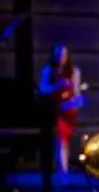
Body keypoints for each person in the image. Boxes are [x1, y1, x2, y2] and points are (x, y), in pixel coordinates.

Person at [39, 44, 83, 176]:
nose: (61, 57)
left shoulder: (74, 71)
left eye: (63, 54)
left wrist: (77, 102)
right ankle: (62, 172)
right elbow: (43, 89)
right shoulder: (48, 70)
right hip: (53, 109)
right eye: (58, 55)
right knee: (60, 140)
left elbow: (76, 92)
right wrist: (57, 85)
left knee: (64, 141)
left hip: (68, 111)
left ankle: (63, 171)